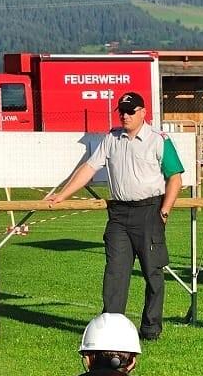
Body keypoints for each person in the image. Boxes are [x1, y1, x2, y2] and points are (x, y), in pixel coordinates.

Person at [45, 92, 184, 341]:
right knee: (115, 273)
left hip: (149, 211)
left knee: (153, 273)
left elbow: (174, 177)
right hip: (119, 214)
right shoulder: (111, 138)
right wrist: (62, 195)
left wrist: (165, 211)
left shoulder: (158, 140)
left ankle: (151, 328)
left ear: (143, 112)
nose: (125, 115)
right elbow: (89, 167)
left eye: (130, 111)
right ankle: (111, 328)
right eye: (122, 111)